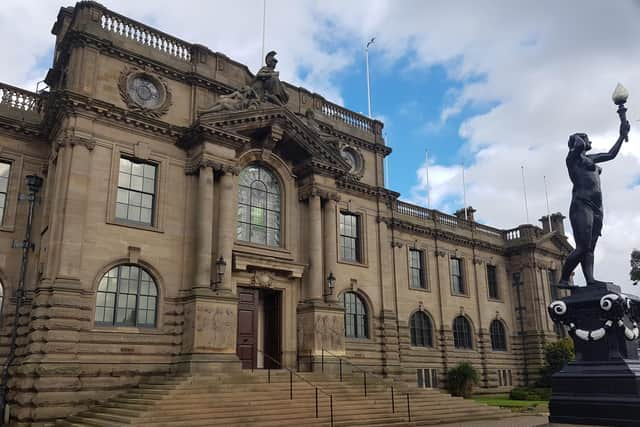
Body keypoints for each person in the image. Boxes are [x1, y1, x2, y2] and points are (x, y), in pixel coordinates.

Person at [558, 118, 630, 287]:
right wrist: (577, 138)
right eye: (587, 138)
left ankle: (590, 279)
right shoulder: (572, 159)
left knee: (590, 246)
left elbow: (611, 154)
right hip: (581, 204)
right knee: (582, 246)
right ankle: (564, 278)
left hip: (597, 206)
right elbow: (579, 145)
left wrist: (621, 135)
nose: (589, 141)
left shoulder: (591, 158)